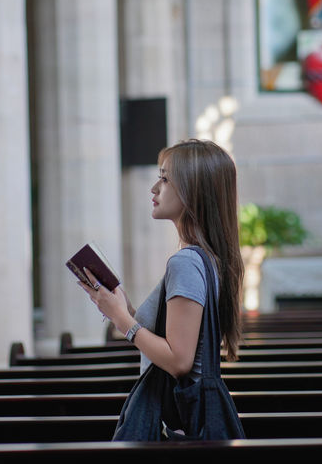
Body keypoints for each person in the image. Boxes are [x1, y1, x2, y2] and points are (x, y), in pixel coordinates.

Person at [77, 138, 246, 440]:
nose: (154, 188)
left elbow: (179, 362)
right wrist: (123, 308)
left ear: (193, 190)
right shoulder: (209, 258)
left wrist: (123, 322)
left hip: (185, 426)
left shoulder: (187, 262)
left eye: (165, 178)